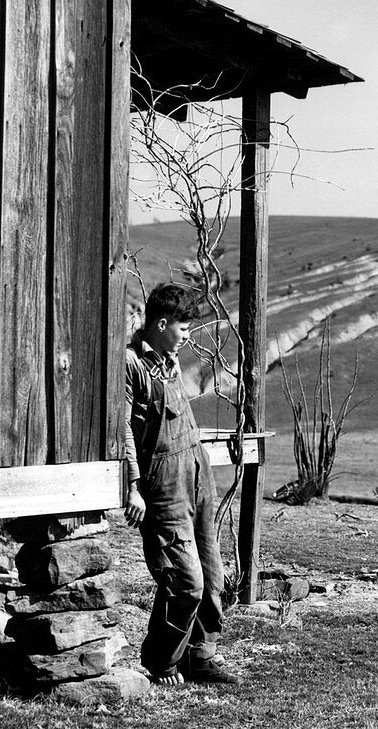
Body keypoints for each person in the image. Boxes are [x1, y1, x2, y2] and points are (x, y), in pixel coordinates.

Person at [123, 284, 240, 686]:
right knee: (184, 580)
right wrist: (133, 485)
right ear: (161, 323)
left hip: (197, 474)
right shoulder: (131, 364)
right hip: (163, 486)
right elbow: (121, 429)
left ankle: (200, 656)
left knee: (212, 575)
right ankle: (161, 661)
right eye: (183, 327)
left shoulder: (169, 361)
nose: (188, 336)